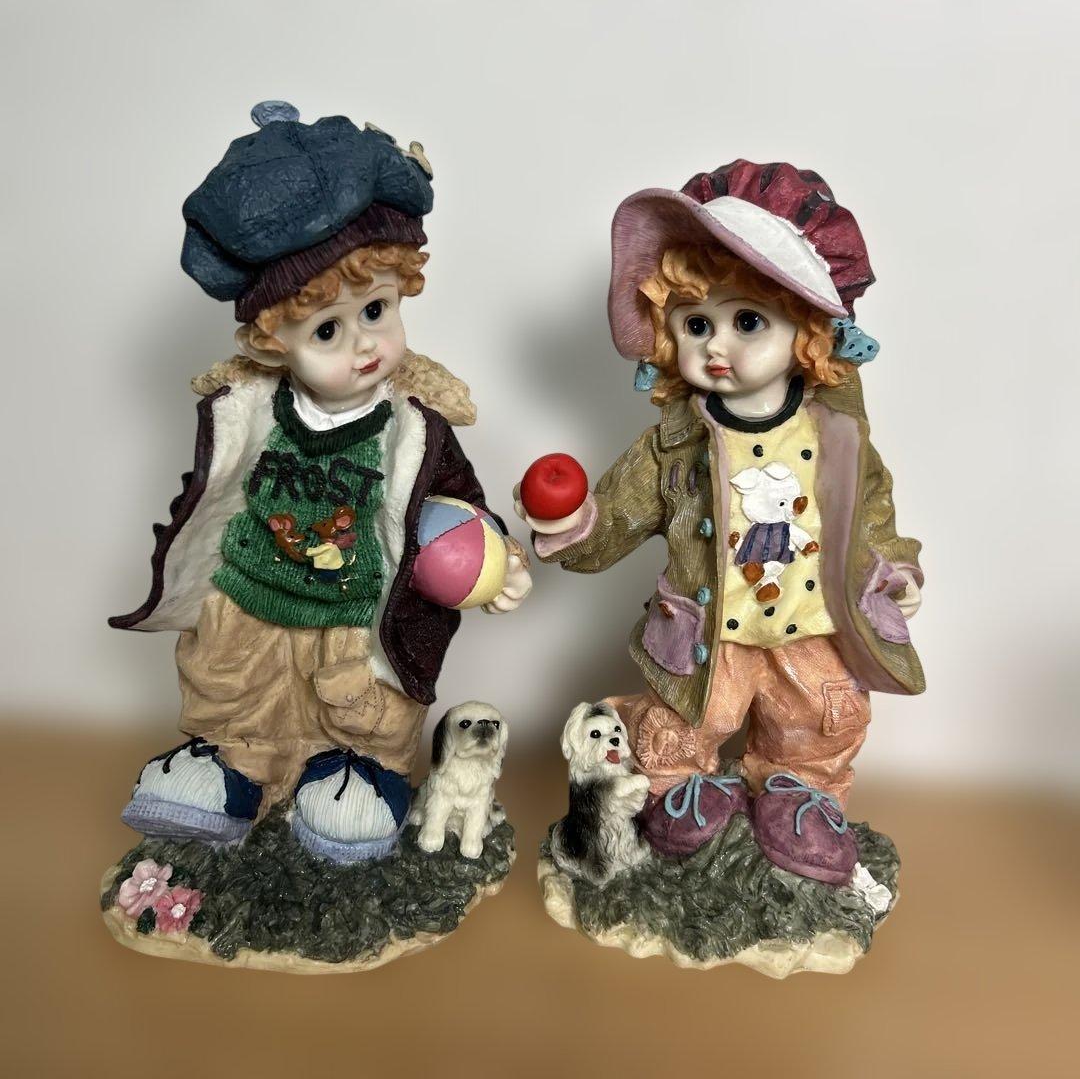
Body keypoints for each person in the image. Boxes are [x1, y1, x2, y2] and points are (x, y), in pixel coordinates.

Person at [113, 102, 531, 864]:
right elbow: (209, 492)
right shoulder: (247, 407)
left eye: (377, 310)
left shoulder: (414, 424)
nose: (365, 344)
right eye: (328, 330)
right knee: (237, 687)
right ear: (273, 340)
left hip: (353, 614)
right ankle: (230, 763)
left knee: (360, 706)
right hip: (251, 599)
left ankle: (354, 773)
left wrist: (495, 556)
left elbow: (458, 501)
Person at [517, 161, 922, 884]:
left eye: (748, 322)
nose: (717, 346)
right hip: (708, 637)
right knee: (681, 722)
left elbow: (872, 510)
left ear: (806, 329)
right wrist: (577, 521)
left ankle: (802, 792)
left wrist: (895, 569)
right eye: (697, 324)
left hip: (809, 629)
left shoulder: (834, 435)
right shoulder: (673, 444)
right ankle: (678, 790)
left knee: (819, 720)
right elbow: (617, 515)